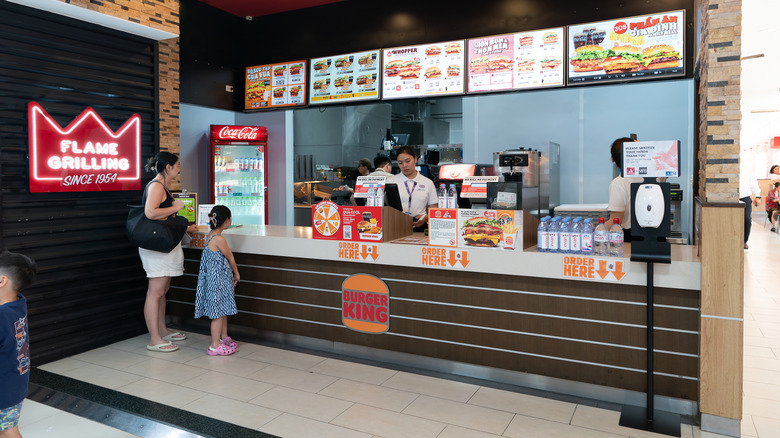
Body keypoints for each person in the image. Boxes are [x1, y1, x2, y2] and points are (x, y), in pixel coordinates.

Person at [138, 152, 198, 353]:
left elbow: (163, 219)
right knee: (155, 292)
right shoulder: (156, 186)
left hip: (164, 245)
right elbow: (150, 212)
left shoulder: (162, 186)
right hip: (157, 248)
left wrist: (185, 227)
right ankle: (154, 339)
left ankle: (162, 330)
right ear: (168, 167)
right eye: (177, 165)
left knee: (162, 291)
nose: (179, 169)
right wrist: (176, 207)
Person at [0, 250, 37, 438]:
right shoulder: (17, 304)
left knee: (8, 431)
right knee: (8, 429)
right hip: (14, 383)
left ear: (2, 280)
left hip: (3, 389)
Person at [194, 205, 240, 356]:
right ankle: (215, 345)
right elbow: (230, 258)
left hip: (216, 280)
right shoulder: (219, 239)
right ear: (226, 221)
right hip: (218, 282)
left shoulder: (211, 235)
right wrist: (236, 273)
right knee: (218, 314)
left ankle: (223, 337)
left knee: (222, 310)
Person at [387, 146, 438, 230]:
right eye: (400, 163)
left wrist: (426, 217)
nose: (404, 165)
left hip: (420, 225)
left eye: (407, 161)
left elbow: (434, 207)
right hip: (396, 225)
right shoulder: (391, 181)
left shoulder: (427, 182)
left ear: (415, 159)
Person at [607, 137, 643, 242]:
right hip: (657, 238)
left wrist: (593, 232)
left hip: (632, 239)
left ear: (612, 159)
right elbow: (667, 165)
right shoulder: (655, 176)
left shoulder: (618, 183)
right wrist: (643, 149)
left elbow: (615, 221)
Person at [739, 157, 761, 249]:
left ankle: (744, 241)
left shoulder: (746, 169)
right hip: (730, 198)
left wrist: (758, 196)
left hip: (745, 198)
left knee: (747, 219)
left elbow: (754, 184)